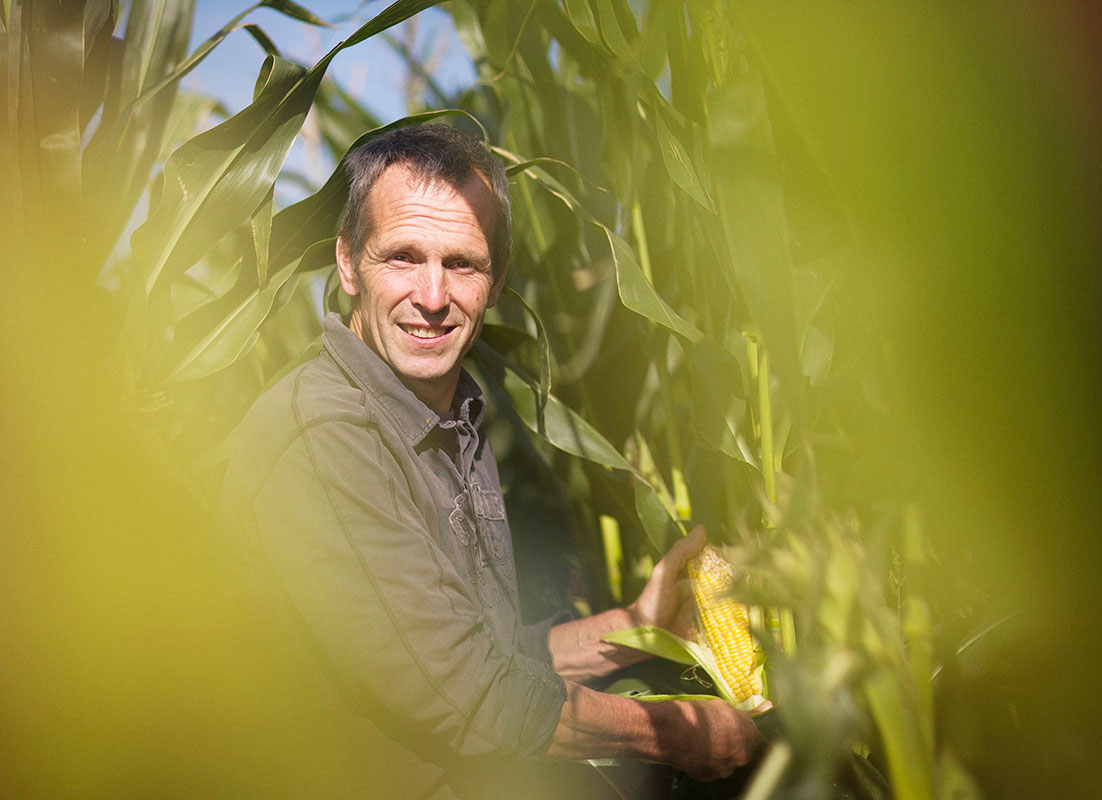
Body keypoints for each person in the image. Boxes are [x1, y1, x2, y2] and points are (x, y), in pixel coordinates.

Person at [219, 123, 766, 797]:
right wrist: (680, 733)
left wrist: (637, 626)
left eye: (462, 264)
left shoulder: (450, 415)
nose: (432, 296)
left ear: (497, 279)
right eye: (402, 257)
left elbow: (488, 654)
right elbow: (473, 697)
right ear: (346, 263)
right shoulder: (324, 437)